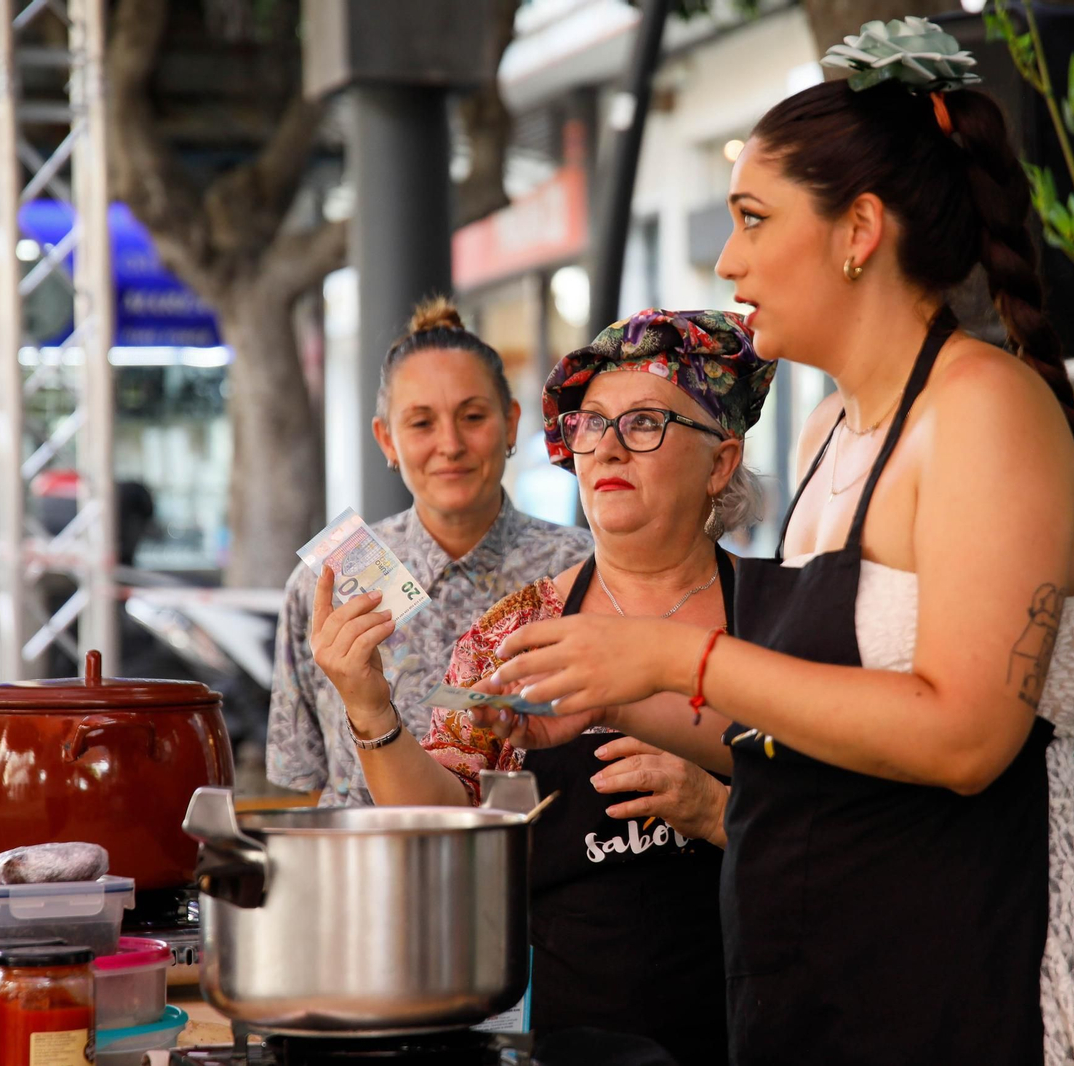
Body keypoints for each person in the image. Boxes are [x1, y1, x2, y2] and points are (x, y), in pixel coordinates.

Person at [486, 20, 1074, 1066]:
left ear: (860, 229)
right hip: (839, 981)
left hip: (975, 978)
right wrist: (616, 695)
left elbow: (966, 738)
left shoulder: (983, 413)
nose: (727, 257)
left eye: (754, 217)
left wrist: (676, 656)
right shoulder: (831, 427)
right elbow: (816, 723)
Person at [309, 308, 774, 1066]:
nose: (609, 447)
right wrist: (370, 708)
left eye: (647, 423)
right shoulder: (516, 629)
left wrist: (720, 812)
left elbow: (855, 829)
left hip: (768, 1025)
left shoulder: (785, 617)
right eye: (591, 425)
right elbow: (450, 828)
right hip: (577, 1036)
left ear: (720, 463)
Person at [267, 299, 592, 806]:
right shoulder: (325, 582)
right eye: (421, 423)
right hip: (367, 871)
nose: (450, 444)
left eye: (473, 416)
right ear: (386, 440)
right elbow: (303, 782)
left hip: (535, 871)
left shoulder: (584, 570)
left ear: (510, 424)